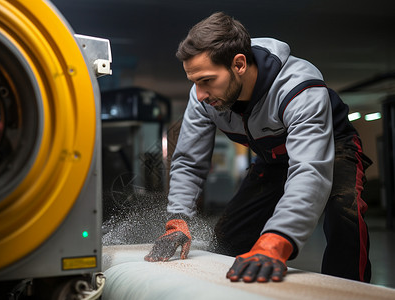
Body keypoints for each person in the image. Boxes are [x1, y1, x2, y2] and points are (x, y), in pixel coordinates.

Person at [144, 12, 372, 284]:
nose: (200, 94)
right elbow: (189, 161)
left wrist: (276, 241)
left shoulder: (299, 88)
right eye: (194, 82)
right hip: (272, 158)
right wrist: (178, 219)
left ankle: (349, 288)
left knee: (344, 212)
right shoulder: (202, 97)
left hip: (333, 149)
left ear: (239, 64)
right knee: (228, 239)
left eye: (206, 80)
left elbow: (309, 170)